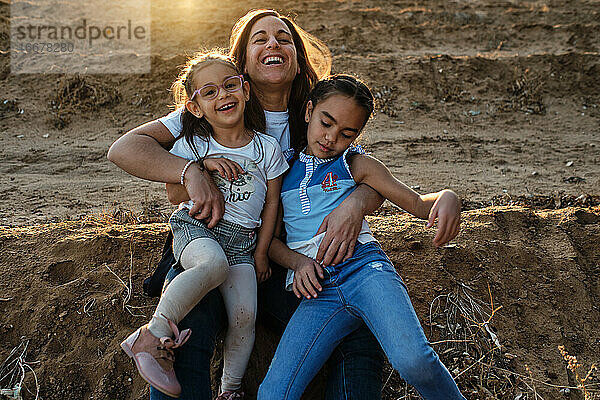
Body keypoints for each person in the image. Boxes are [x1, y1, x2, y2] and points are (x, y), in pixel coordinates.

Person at [108, 9, 386, 400]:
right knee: (190, 325)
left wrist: (356, 203)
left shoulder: (318, 112)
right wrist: (190, 172)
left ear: (297, 56)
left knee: (355, 331)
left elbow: (368, 178)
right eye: (260, 38)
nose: (273, 44)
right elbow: (126, 149)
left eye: (284, 38)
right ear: (241, 65)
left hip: (289, 259)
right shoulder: (220, 102)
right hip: (214, 242)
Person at [258, 75, 465, 400]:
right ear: (309, 111)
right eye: (326, 123)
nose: (330, 138)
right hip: (317, 291)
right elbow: (268, 241)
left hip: (365, 272)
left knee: (413, 361)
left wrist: (448, 196)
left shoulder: (356, 164)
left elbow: (415, 203)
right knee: (273, 394)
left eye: (346, 133)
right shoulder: (281, 169)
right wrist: (297, 263)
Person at [119, 50, 289, 399]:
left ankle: (230, 389)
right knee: (212, 264)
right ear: (194, 107)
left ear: (245, 89)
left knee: (245, 314)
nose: (223, 95)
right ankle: (150, 334)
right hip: (198, 229)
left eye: (230, 86)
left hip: (243, 242)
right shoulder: (192, 144)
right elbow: (172, 192)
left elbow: (272, 203)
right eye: (209, 92)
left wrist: (260, 253)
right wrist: (202, 165)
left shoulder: (267, 147)